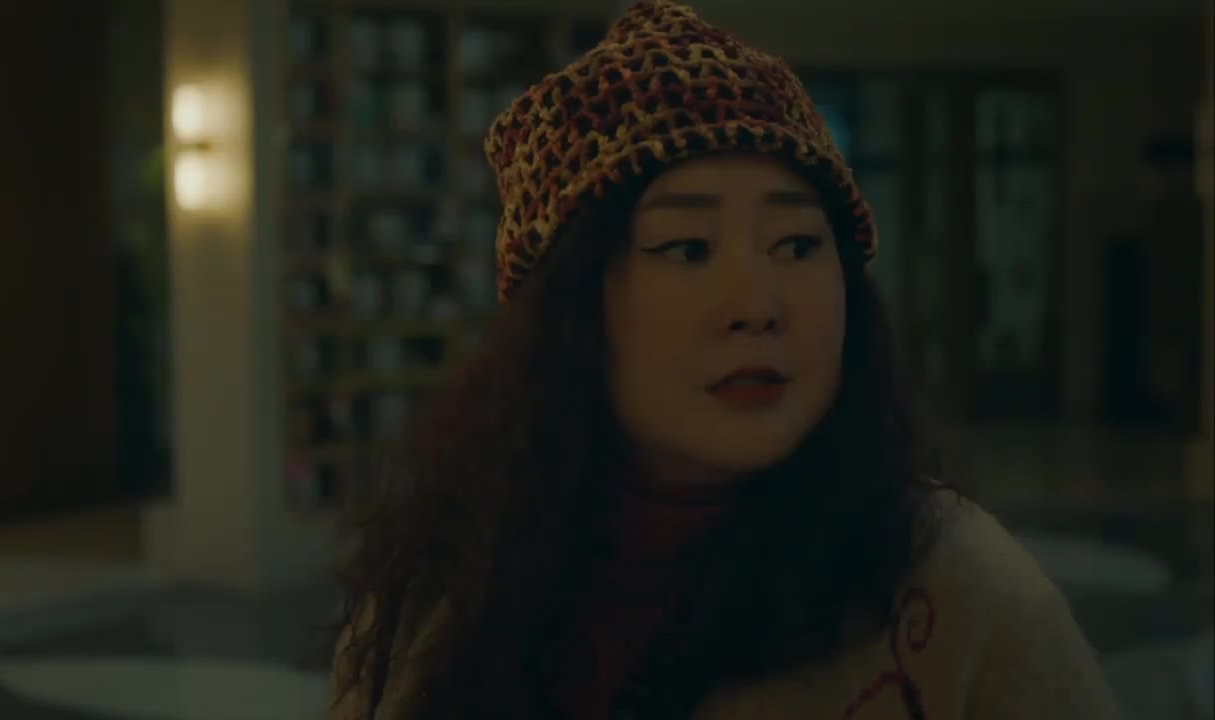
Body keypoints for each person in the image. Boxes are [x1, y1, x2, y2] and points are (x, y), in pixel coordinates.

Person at [331, 1, 1120, 717]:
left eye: (797, 245)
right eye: (687, 248)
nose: (757, 302)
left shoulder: (957, 597)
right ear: (567, 313)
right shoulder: (444, 584)